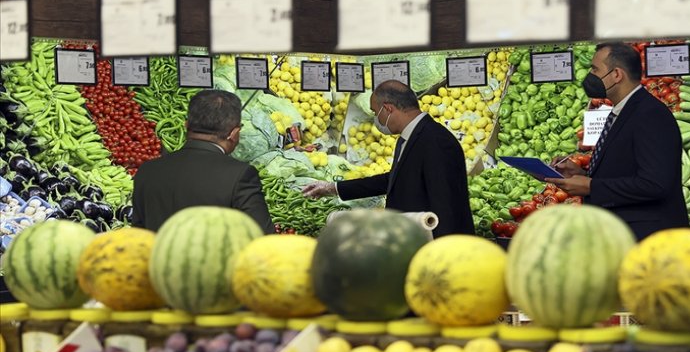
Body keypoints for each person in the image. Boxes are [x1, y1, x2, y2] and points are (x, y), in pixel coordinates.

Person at [547, 42, 688, 240]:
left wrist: (591, 186)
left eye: (595, 69)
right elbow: (627, 169)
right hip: (624, 235)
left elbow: (655, 184)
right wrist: (581, 173)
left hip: (648, 239)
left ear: (616, 75)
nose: (590, 76)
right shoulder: (623, 111)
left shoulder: (650, 114)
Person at [303, 80, 475, 238]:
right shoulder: (409, 138)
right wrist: (333, 188)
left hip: (435, 243)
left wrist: (442, 252)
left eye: (375, 112)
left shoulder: (436, 141)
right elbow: (393, 180)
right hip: (413, 238)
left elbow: (445, 202)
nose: (376, 119)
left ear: (388, 109)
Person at [131, 89, 274, 234]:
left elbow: (138, 235)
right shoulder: (240, 175)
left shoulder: (148, 170)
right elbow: (263, 237)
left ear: (186, 125)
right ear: (234, 134)